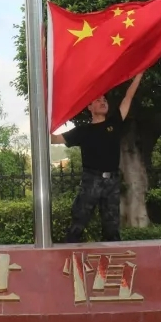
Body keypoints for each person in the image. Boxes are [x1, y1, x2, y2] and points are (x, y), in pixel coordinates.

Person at [51, 73, 144, 243]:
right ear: (90, 107)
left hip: (112, 182)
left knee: (112, 227)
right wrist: (43, 122)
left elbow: (128, 98)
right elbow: (54, 139)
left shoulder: (114, 123)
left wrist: (138, 76)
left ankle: (112, 256)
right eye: (98, 100)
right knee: (78, 222)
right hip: (91, 180)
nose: (103, 102)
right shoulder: (82, 131)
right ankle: (68, 253)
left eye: (105, 100)